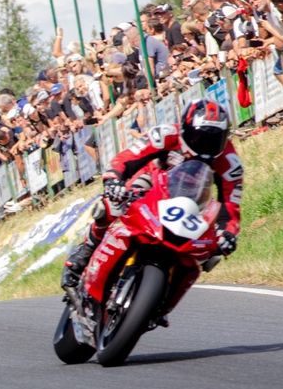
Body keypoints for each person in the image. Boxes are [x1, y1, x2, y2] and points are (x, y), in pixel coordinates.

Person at [62, 99, 243, 311]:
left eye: (213, 140)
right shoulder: (166, 134)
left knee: (212, 254)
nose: (205, 145)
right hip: (152, 181)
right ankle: (83, 256)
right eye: (199, 137)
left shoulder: (230, 161)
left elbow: (231, 204)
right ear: (185, 129)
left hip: (195, 200)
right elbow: (129, 157)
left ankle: (162, 301)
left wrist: (227, 234)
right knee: (112, 204)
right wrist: (114, 179)